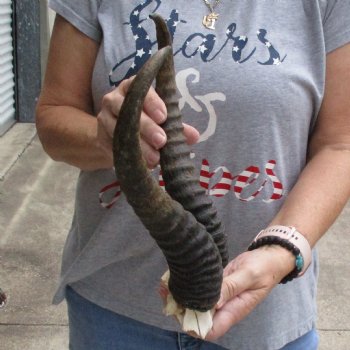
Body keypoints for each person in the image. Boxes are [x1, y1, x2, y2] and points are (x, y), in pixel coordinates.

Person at [36, 1, 350, 349]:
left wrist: (282, 249)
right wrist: (105, 136)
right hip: (115, 315)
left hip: (265, 315)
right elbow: (54, 116)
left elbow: (340, 145)